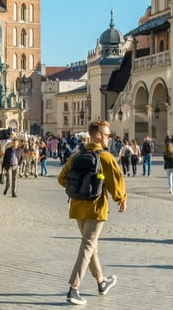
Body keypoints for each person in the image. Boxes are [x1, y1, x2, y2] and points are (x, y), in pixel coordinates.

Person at [58, 120, 127, 306]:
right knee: (88, 246)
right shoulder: (105, 157)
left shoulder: (77, 154)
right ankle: (74, 288)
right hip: (96, 209)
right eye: (106, 135)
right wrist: (121, 198)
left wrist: (78, 190)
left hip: (78, 207)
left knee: (91, 247)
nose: (109, 138)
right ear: (97, 135)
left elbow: (61, 178)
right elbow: (115, 181)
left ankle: (101, 282)